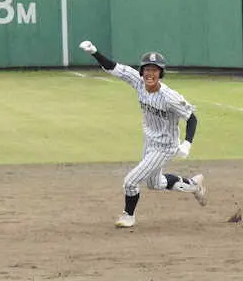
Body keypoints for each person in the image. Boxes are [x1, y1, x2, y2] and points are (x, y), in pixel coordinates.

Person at [78, 40, 208, 228]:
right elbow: (114, 68)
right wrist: (94, 52)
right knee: (155, 183)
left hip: (165, 146)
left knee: (130, 182)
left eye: (155, 70)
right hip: (149, 142)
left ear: (160, 73)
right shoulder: (138, 82)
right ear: (142, 71)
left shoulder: (170, 97)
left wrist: (187, 143)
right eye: (147, 69)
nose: (150, 73)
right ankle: (194, 185)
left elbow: (192, 118)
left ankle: (128, 216)